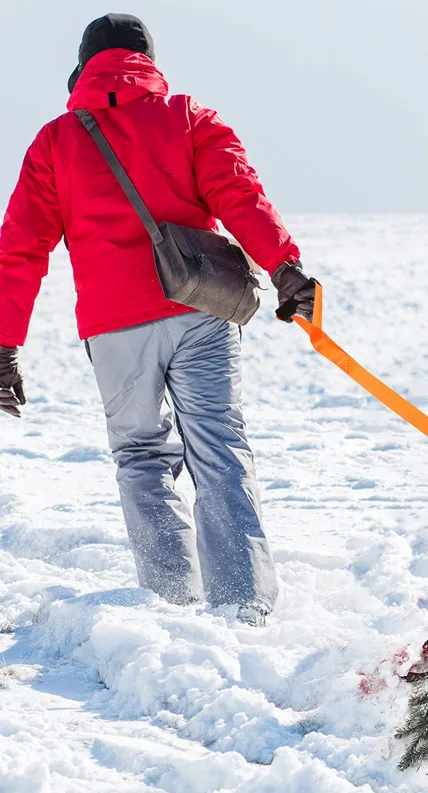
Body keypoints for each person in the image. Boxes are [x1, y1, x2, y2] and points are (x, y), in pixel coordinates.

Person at [0, 14, 316, 625]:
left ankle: (171, 606)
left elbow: (20, 249)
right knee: (219, 448)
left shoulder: (55, 141)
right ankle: (243, 604)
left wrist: (4, 345)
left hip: (115, 326)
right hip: (200, 308)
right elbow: (241, 196)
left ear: (83, 65)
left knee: (141, 456)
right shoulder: (188, 117)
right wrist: (284, 266)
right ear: (147, 59)